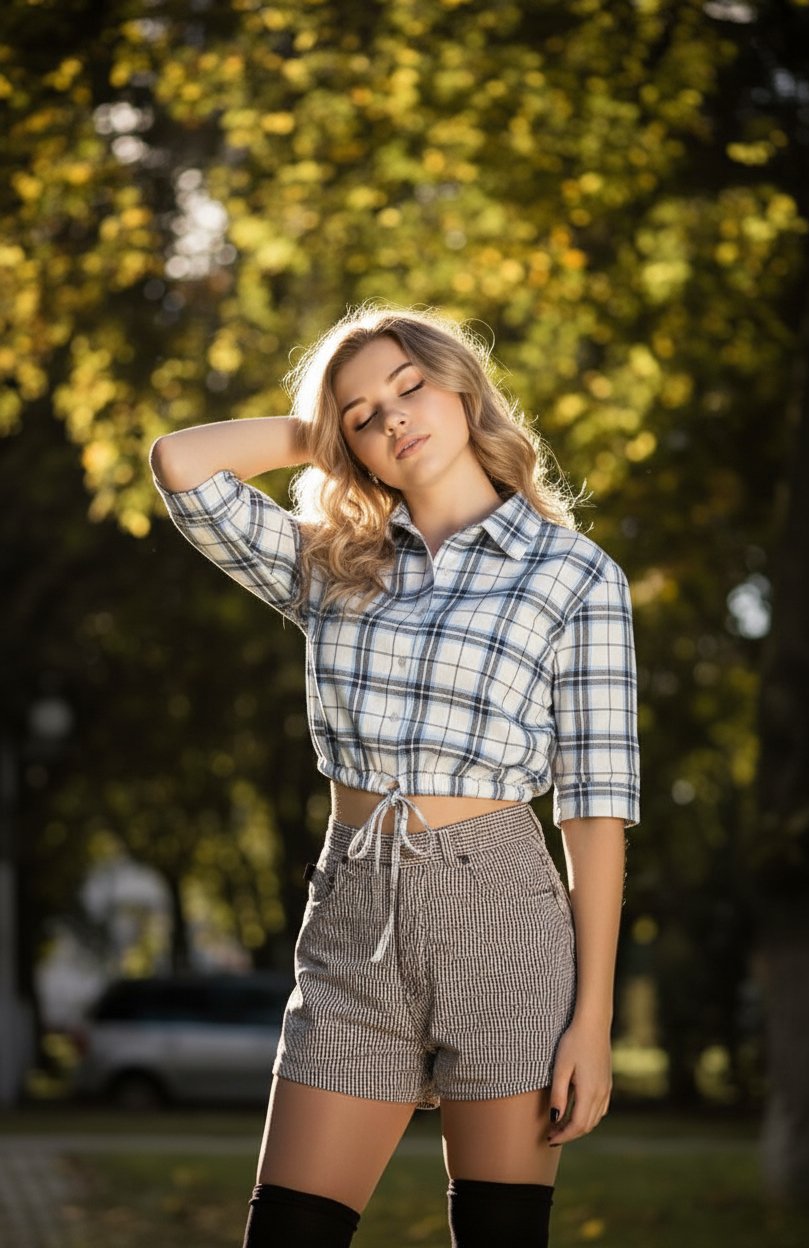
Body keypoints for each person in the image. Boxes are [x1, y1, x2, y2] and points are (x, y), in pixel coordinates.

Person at [149, 304, 640, 1247]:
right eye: (365, 414)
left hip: (505, 922)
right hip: (353, 919)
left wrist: (593, 1020)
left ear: (463, 387)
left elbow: (595, 808)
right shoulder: (334, 563)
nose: (394, 418)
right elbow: (183, 466)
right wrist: (321, 435)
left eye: (409, 388)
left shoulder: (575, 576)